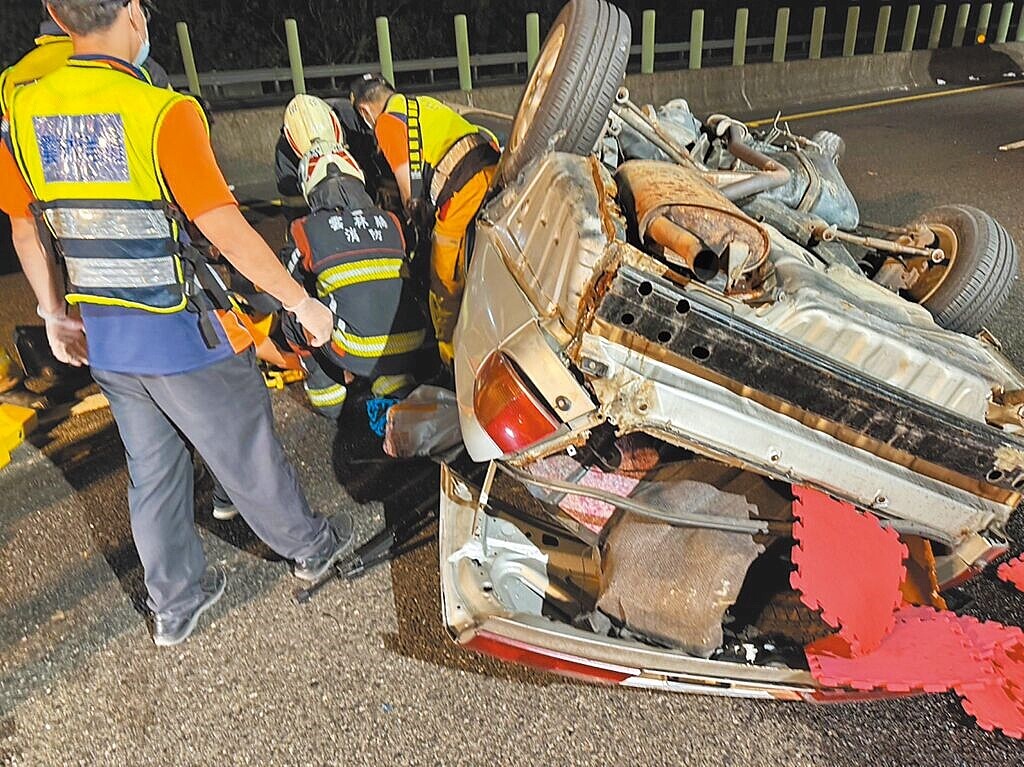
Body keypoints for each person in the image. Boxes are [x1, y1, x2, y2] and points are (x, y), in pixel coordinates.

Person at [0, 0, 353, 647]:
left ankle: (175, 604)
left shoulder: (23, 113)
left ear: (56, 13)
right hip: (183, 334)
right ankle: (311, 547)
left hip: (108, 337)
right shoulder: (161, 109)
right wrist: (300, 303)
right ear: (133, 11)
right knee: (243, 454)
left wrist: (54, 315)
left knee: (153, 470)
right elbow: (223, 226)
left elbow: (27, 229)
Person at [351, 74, 500, 366]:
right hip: (492, 169)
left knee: (443, 276)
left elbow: (410, 194)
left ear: (364, 110)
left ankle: (450, 354)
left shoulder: (387, 123)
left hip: (463, 189)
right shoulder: (423, 104)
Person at [280, 143, 433, 419]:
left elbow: (285, 287)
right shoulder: (392, 220)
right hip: (415, 339)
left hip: (355, 350)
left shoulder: (304, 229)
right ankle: (392, 382)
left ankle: (329, 395)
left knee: (293, 316)